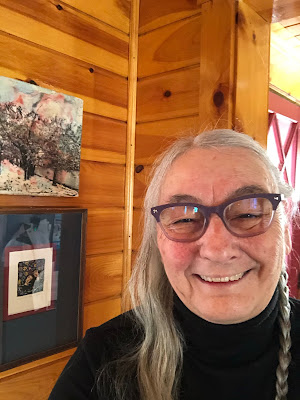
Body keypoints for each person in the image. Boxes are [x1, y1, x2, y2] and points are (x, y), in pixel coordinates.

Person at [49, 130, 300, 400]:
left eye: (247, 214)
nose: (217, 250)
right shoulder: (99, 363)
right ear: (159, 242)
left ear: (285, 234)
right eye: (183, 219)